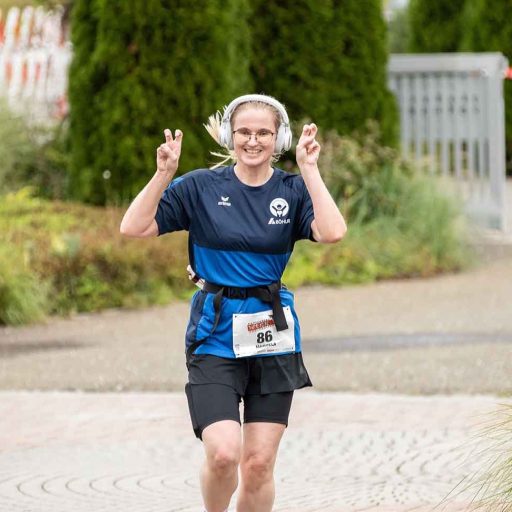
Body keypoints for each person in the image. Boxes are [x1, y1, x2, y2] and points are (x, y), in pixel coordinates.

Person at [120, 94, 347, 512]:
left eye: (264, 132)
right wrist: (162, 174)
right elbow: (133, 226)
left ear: (279, 137)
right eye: (244, 131)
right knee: (224, 453)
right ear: (229, 135)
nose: (253, 140)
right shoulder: (201, 187)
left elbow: (332, 231)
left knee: (258, 463)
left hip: (271, 336)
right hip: (214, 334)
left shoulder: (291, 190)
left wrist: (311, 170)